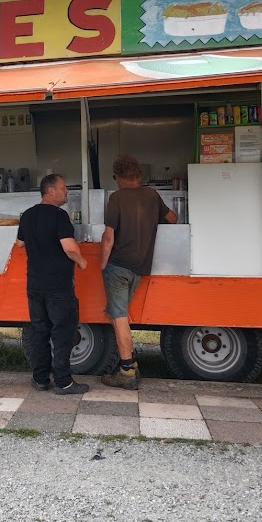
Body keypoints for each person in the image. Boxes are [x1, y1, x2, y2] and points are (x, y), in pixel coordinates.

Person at [100, 155, 177, 390]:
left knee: (119, 316)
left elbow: (108, 237)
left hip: (119, 265)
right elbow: (173, 219)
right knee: (117, 313)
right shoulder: (152, 195)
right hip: (140, 268)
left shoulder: (116, 198)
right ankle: (130, 366)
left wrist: (102, 264)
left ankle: (126, 371)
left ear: (120, 176)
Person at [16, 174, 89, 395]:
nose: (67, 191)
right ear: (50, 191)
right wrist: (83, 262)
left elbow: (20, 244)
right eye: (64, 187)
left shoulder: (27, 215)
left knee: (39, 331)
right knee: (62, 333)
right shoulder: (59, 216)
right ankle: (63, 382)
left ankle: (40, 379)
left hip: (35, 285)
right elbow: (69, 247)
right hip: (58, 286)